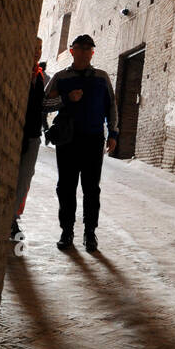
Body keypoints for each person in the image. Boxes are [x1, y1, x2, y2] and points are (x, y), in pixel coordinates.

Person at [44, 34, 118, 252]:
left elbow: (111, 106)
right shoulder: (60, 78)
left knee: (91, 189)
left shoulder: (102, 77)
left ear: (92, 53)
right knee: (66, 187)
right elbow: (45, 104)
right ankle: (66, 232)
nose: (84, 52)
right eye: (80, 48)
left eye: (88, 49)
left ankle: (90, 233)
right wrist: (67, 99)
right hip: (68, 140)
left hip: (93, 139)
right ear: (72, 51)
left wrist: (113, 133)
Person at [11, 37, 46, 239]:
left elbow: (43, 105)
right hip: (15, 132)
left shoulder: (40, 76)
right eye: (34, 47)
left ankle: (12, 219)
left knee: (24, 178)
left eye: (40, 48)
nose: (37, 52)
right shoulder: (19, 70)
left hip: (32, 134)